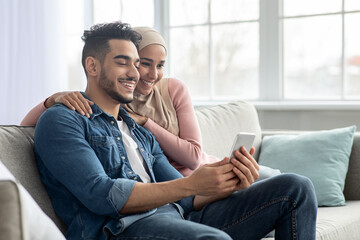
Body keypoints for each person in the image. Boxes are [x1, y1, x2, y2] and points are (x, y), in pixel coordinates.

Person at [33, 21, 317, 240]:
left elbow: (186, 199)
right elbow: (101, 194)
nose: (135, 73)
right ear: (92, 66)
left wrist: (224, 182)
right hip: (123, 229)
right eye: (123, 62)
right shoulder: (63, 120)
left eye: (136, 63)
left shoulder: (140, 130)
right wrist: (192, 183)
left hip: (177, 218)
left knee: (296, 188)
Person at [22, 27, 280, 179]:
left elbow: (193, 156)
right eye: (143, 63)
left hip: (204, 171)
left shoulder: (172, 90)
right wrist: (53, 99)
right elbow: (25, 127)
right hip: (187, 186)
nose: (150, 74)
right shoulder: (113, 100)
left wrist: (146, 122)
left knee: (281, 180)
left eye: (160, 66)